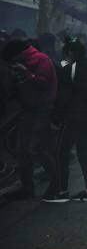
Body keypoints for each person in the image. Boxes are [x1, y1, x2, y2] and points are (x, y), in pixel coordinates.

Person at [1, 39, 59, 201]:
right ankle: (27, 188)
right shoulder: (19, 63)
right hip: (27, 110)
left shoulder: (42, 59)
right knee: (21, 150)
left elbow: (44, 83)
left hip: (42, 109)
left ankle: (57, 184)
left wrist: (26, 72)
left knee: (37, 149)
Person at [52, 38, 87, 202]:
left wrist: (56, 118)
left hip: (73, 117)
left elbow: (63, 97)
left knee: (62, 152)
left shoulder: (70, 69)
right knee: (83, 152)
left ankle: (61, 191)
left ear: (70, 53)